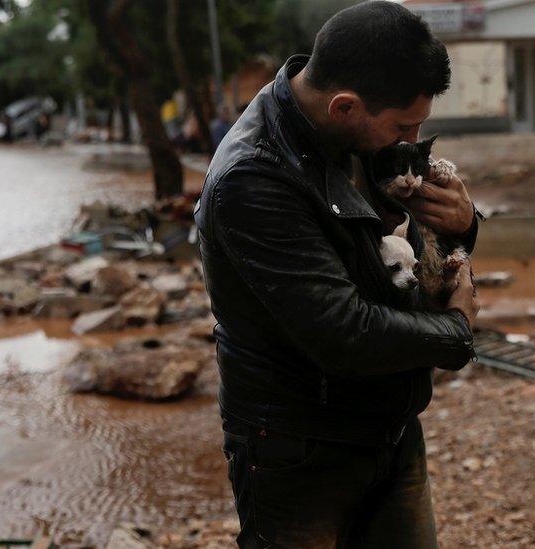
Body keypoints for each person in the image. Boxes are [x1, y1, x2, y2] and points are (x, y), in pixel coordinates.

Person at [195, 3, 481, 547]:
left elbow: (403, 258)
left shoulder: (355, 134)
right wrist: (457, 333)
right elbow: (343, 332)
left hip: (390, 428)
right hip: (298, 448)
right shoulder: (252, 180)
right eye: (403, 125)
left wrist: (464, 227)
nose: (413, 139)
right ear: (345, 105)